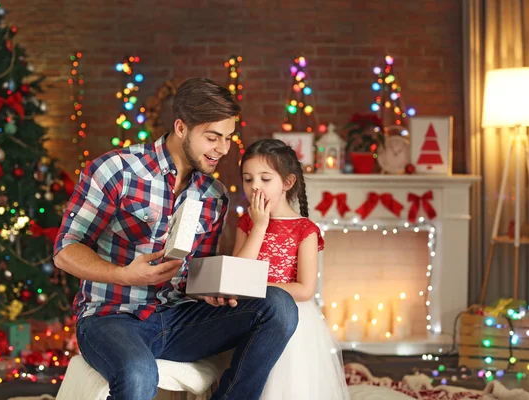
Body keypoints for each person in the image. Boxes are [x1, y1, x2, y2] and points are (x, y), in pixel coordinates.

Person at [53, 78, 298, 400]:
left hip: (180, 319)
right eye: (212, 137)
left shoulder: (215, 196)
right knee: (139, 373)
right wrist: (123, 274)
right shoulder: (117, 170)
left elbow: (196, 274)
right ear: (181, 128)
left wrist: (210, 292)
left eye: (228, 138)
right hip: (111, 318)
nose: (223, 149)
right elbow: (65, 249)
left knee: (279, 306)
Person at [233, 138, 350, 400]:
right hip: (250, 314)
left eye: (265, 179)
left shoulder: (304, 229)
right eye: (248, 179)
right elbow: (235, 274)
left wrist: (257, 288)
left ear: (287, 183)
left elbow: (305, 289)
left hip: (292, 318)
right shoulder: (247, 223)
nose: (255, 188)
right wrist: (259, 227)